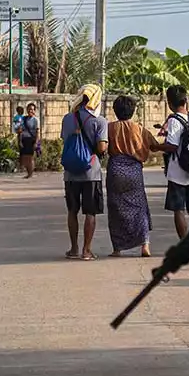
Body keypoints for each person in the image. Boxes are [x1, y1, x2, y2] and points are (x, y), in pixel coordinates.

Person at [104, 95, 162, 257]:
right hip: (134, 172)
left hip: (115, 170)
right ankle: (145, 245)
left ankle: (117, 248)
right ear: (133, 111)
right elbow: (154, 146)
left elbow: (102, 146)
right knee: (140, 207)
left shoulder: (109, 128)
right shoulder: (140, 129)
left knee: (115, 209)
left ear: (115, 111)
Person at [60, 83, 108, 260]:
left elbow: (65, 139)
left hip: (70, 173)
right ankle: (86, 250)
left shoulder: (67, 118)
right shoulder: (100, 121)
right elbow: (101, 147)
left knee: (72, 211)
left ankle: (73, 248)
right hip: (91, 173)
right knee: (90, 212)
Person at [160, 85, 189, 239]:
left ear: (169, 103)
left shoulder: (173, 120)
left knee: (179, 209)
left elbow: (172, 146)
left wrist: (157, 146)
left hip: (177, 173)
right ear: (186, 100)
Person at [18, 103, 40, 179]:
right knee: (25, 157)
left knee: (30, 158)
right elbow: (20, 131)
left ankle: (30, 174)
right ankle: (28, 173)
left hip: (31, 139)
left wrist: (36, 142)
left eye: (32, 109)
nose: (31, 111)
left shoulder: (35, 120)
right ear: (27, 110)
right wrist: (20, 141)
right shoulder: (23, 119)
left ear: (34, 111)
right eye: (29, 109)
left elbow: (37, 132)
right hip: (24, 139)